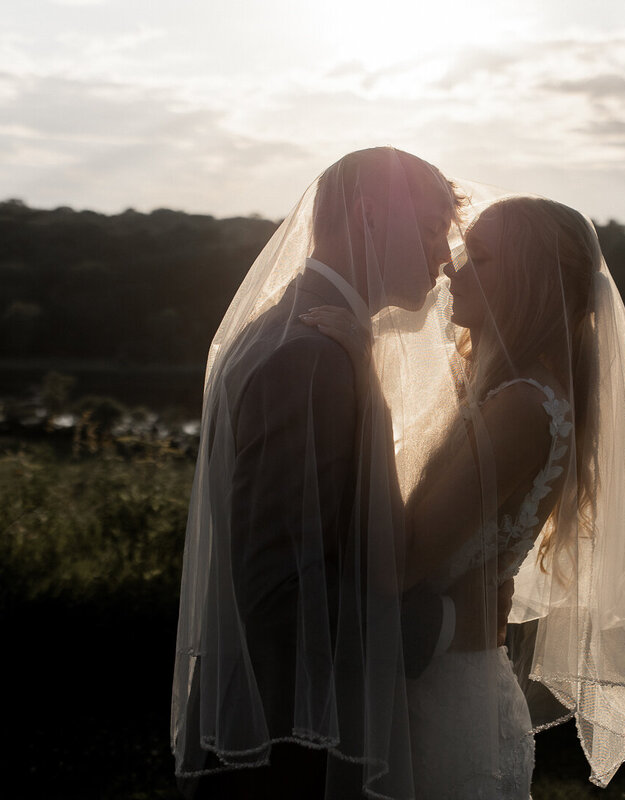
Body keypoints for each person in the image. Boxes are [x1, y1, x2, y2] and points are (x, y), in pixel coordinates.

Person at [171, 147, 513, 800]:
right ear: (368, 217)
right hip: (288, 751)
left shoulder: (305, 336)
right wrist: (446, 623)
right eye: (432, 228)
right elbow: (280, 595)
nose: (447, 257)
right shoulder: (311, 358)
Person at [305, 193, 625, 797]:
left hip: (445, 697)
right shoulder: (502, 391)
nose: (451, 267)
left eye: (480, 257)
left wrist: (368, 391)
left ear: (527, 281)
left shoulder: (525, 406)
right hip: (438, 670)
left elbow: (404, 561)